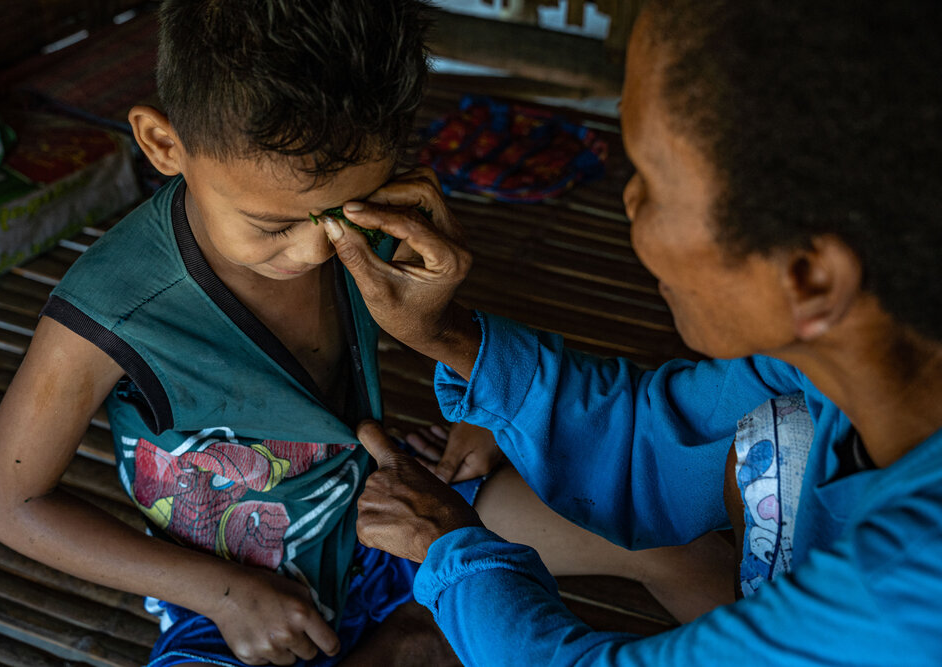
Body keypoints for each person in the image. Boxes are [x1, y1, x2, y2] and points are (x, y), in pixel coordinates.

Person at [317, 0, 942, 664]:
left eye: (654, 184)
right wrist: (447, 334)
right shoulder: (845, 353)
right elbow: (653, 437)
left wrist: (450, 546)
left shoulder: (909, 586)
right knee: (771, 437)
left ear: (811, 277)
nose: (628, 203)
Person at [0, 2, 467, 665]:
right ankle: (424, 633)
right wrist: (224, 591)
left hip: (382, 510)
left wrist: (480, 408)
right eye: (270, 225)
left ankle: (415, 632)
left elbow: (461, 349)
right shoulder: (115, 306)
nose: (319, 251)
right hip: (226, 588)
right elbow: (6, 501)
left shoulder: (379, 208)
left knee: (602, 492)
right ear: (164, 145)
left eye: (339, 215)